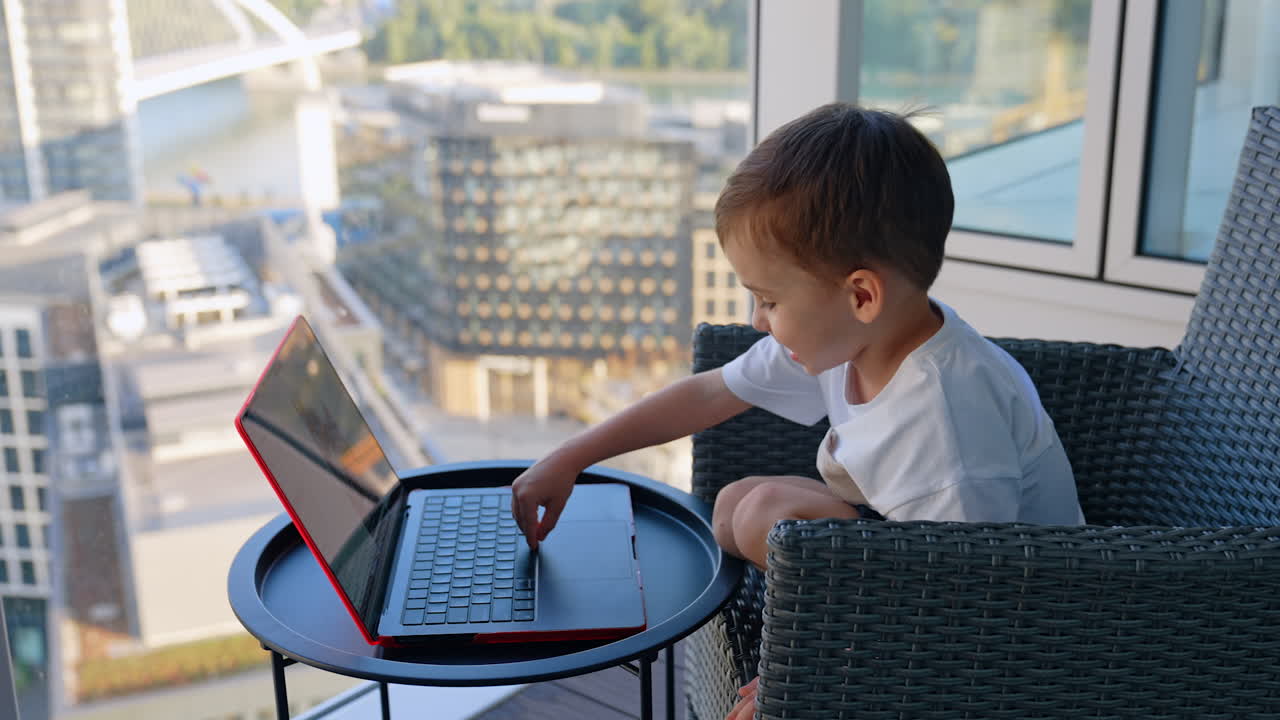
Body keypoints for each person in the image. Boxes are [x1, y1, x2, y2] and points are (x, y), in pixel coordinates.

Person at [510, 102, 1085, 720]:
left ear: (861, 295)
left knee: (764, 518)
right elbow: (710, 393)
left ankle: (823, 628)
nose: (758, 321)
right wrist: (572, 457)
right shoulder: (854, 337)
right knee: (738, 509)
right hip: (910, 540)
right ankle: (819, 604)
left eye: (769, 300)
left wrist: (822, 669)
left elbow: (965, 603)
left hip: (1010, 617)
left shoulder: (946, 424)